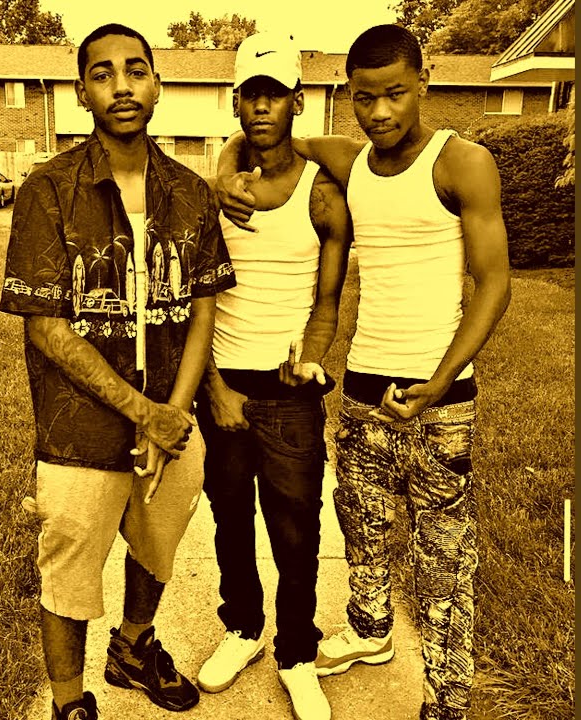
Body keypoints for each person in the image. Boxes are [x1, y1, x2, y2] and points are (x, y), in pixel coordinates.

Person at [215, 23, 511, 720]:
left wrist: (441, 380)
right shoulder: (351, 162)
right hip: (363, 386)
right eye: (364, 98)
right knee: (362, 525)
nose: (380, 113)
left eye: (396, 94)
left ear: (424, 83)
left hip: (441, 395)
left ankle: (447, 702)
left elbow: (495, 283)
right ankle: (371, 632)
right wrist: (225, 172)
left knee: (443, 558)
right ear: (347, 95)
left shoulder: (461, 163)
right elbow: (261, 137)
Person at [0, 23, 235, 720]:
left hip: (172, 421)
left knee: (159, 543)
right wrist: (144, 413)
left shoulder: (190, 193)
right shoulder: (48, 190)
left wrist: (175, 414)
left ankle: (133, 646)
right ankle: (69, 701)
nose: (121, 85)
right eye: (102, 74)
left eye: (136, 70)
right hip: (79, 430)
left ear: (157, 84)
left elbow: (202, 310)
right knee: (69, 570)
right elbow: (46, 326)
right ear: (82, 92)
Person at [193, 32, 352, 720]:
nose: (262, 107)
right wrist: (213, 388)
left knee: (296, 531)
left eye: (275, 95)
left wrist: (312, 354)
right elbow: (193, 297)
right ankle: (244, 628)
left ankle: (296, 653)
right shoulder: (215, 194)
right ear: (236, 103)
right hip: (225, 386)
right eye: (251, 95)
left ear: (297, 101)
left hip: (291, 394)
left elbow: (327, 301)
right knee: (230, 520)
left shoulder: (323, 194)